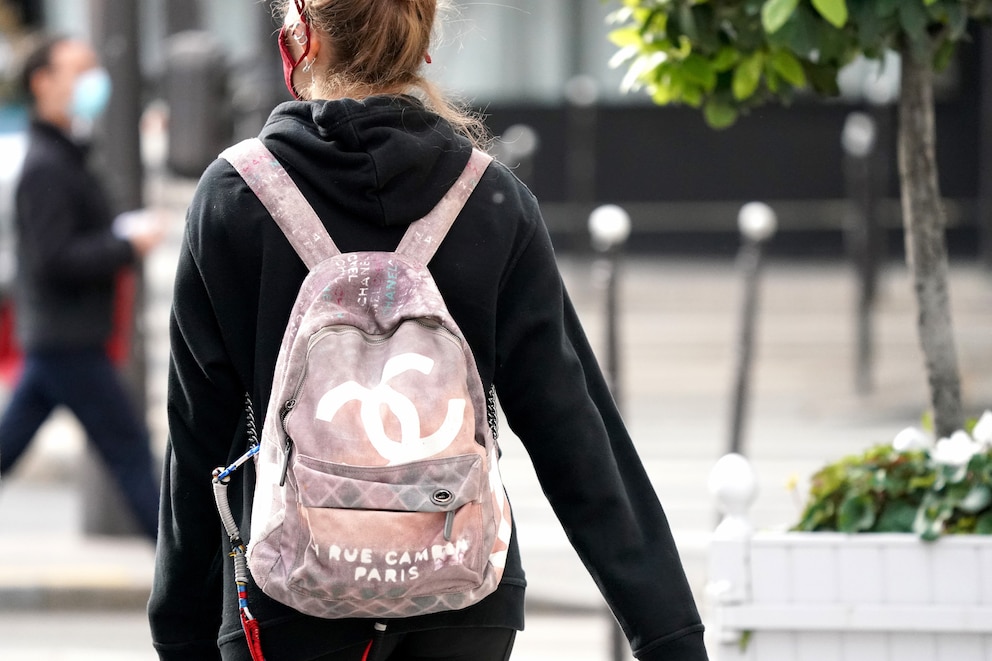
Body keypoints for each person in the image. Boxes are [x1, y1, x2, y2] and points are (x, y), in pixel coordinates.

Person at [149, 1, 708, 659]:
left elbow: (199, 432)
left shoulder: (232, 196)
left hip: (290, 598)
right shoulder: (490, 198)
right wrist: (668, 633)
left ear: (300, 44)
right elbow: (574, 431)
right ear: (420, 47)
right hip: (462, 595)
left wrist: (180, 630)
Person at [0, 35, 163, 541]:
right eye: (79, 70)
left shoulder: (66, 153)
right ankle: (189, 580)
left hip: (61, 340)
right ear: (42, 82)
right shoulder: (46, 166)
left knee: (13, 444)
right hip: (68, 340)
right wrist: (126, 247)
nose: (93, 80)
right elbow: (55, 258)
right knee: (132, 454)